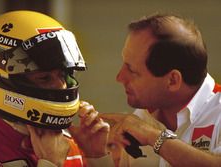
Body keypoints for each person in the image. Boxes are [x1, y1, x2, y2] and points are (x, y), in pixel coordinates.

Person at [77, 13, 221, 167]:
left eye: (132, 70)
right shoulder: (141, 118)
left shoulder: (142, 127)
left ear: (172, 80)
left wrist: (155, 138)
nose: (119, 77)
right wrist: (96, 155)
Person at [0, 10, 110, 167]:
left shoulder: (73, 145)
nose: (61, 85)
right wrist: (50, 163)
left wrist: (97, 157)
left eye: (63, 74)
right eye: (44, 78)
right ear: (1, 81)